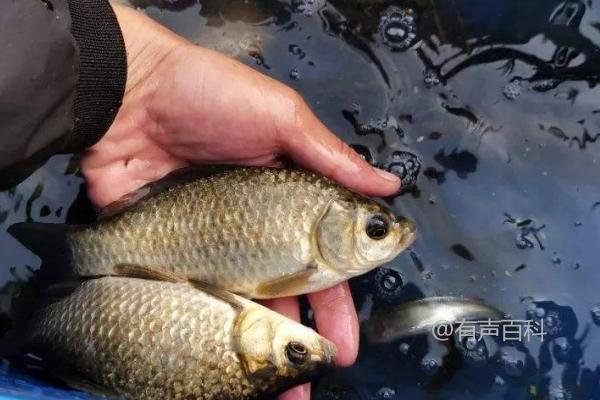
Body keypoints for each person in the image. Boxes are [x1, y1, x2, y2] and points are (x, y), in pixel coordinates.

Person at [0, 1, 401, 398]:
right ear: (333, 218)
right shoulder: (307, 252)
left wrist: (129, 67)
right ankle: (76, 256)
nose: (384, 237)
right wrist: (134, 70)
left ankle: (70, 262)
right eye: (375, 230)